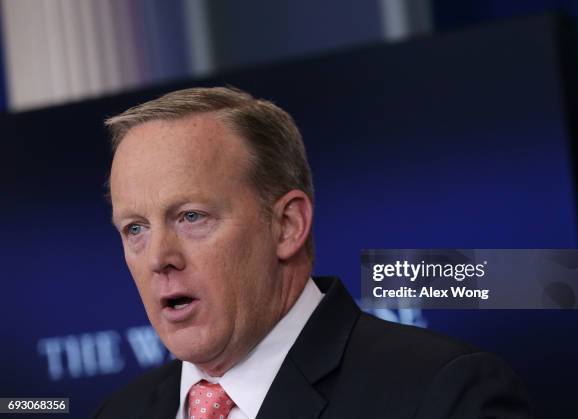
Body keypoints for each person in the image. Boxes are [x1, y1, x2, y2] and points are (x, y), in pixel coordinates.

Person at [93, 87, 532, 419]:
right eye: (135, 228)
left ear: (287, 226)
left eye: (191, 217)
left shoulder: (441, 394)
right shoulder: (118, 413)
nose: (158, 258)